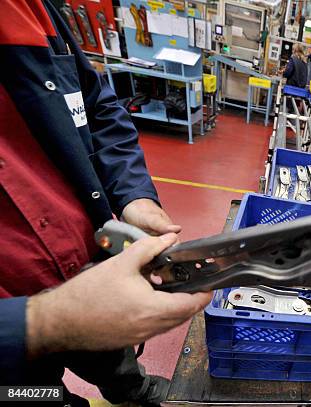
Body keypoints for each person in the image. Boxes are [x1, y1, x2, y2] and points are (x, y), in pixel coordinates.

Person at [0, 1, 210, 405]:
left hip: (88, 264)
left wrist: (134, 195)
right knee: (34, 396)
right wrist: (42, 322)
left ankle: (133, 390)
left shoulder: (29, 10)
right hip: (10, 345)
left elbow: (98, 108)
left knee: (119, 368)